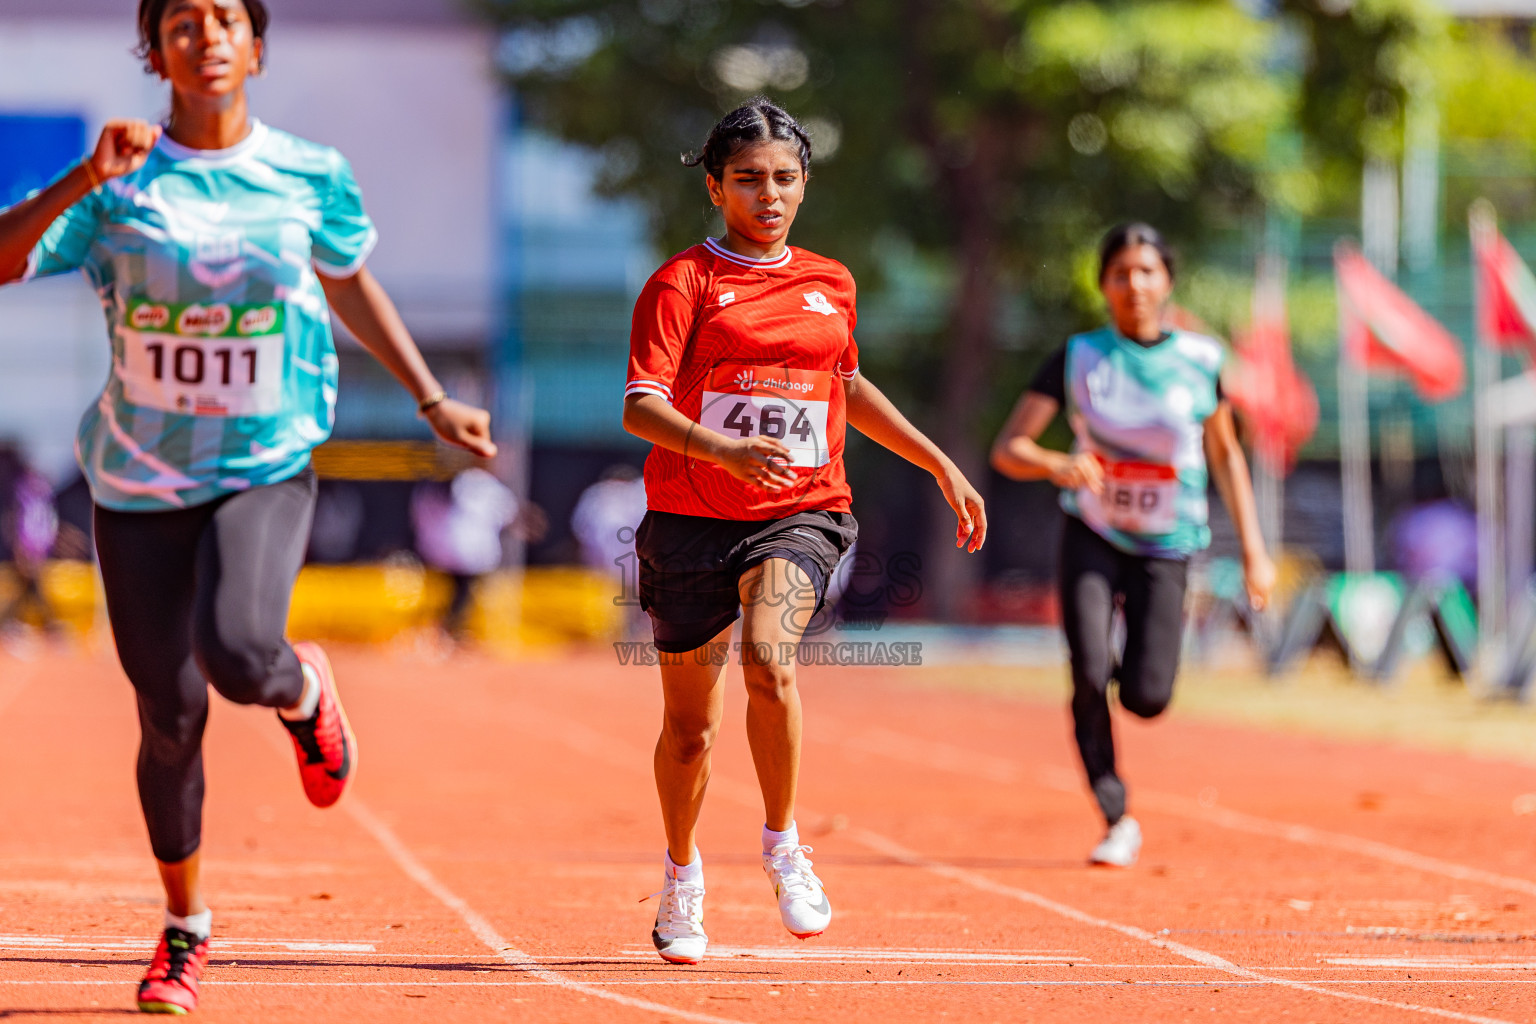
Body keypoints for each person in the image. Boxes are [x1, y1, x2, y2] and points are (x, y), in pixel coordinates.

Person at [0, 0, 495, 1013]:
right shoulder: (117, 178)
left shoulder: (310, 173)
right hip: (138, 476)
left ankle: (300, 692)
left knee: (235, 650)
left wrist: (429, 393)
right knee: (167, 714)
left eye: (228, 18)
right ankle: (184, 928)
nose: (209, 35)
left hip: (263, 456)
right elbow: (5, 259)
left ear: (256, 48)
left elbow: (351, 282)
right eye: (184, 21)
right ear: (156, 52)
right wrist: (85, 178)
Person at [623, 98, 987, 964]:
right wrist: (720, 449)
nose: (769, 193)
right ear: (715, 187)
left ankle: (785, 846)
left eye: (784, 178)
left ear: (804, 183)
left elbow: (847, 388)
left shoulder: (831, 282)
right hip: (688, 522)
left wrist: (937, 460)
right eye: (748, 179)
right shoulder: (684, 282)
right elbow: (642, 405)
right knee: (689, 731)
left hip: (802, 509)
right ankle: (682, 874)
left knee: (770, 655)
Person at [991, 223, 1275, 868]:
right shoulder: (1078, 357)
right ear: (1104, 285)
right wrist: (1055, 463)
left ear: (1167, 281)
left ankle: (1127, 665)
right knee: (1089, 673)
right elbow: (1009, 448)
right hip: (1092, 532)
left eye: (1146, 271)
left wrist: (1256, 550)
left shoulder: (1201, 361)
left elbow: (1226, 454)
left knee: (1148, 697)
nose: (1134, 285)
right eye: (1120, 273)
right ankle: (1115, 813)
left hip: (1167, 543)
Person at [411, 466, 519, 643]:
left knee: (456, 596)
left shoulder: (438, 487)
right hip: (466, 554)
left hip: (444, 551)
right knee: (461, 596)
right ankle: (448, 634)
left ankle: (446, 633)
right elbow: (510, 515)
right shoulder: (473, 483)